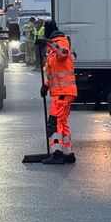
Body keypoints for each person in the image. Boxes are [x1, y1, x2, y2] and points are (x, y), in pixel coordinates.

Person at [39, 21, 77, 164]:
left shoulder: (61, 42)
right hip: (62, 92)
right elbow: (55, 72)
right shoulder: (52, 50)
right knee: (62, 121)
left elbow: (63, 54)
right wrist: (46, 86)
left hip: (63, 92)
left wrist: (49, 43)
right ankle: (68, 153)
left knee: (54, 123)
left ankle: (57, 153)